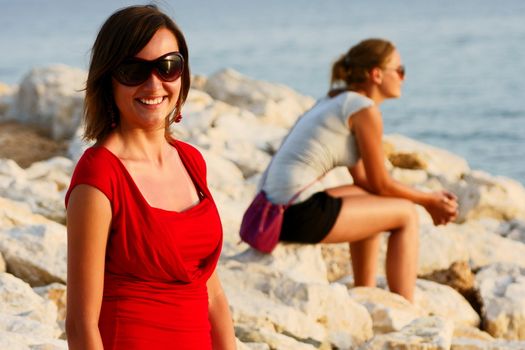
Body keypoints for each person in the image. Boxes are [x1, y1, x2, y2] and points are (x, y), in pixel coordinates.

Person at [65, 5, 236, 349]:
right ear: (108, 79)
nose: (154, 83)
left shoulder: (190, 161)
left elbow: (212, 295)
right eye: (133, 70)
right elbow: (81, 325)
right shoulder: (98, 179)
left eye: (168, 66)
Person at [259, 38, 458, 302]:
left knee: (376, 201)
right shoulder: (364, 110)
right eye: (399, 70)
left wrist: (425, 197)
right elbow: (380, 183)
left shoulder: (338, 100)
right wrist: (428, 200)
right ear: (376, 74)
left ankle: (367, 295)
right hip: (293, 215)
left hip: (272, 210)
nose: (403, 77)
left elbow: (365, 181)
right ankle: (404, 306)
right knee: (407, 215)